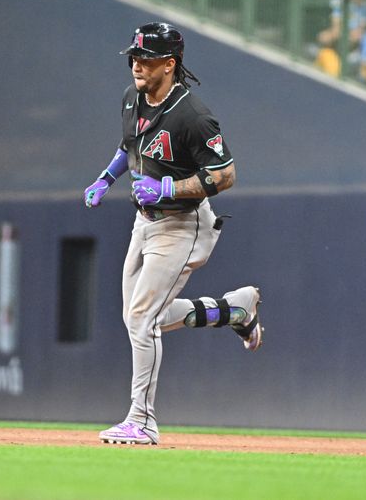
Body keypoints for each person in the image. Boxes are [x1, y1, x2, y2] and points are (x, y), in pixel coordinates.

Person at [83, 22, 265, 445]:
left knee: (142, 319)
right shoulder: (133, 98)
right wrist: (106, 179)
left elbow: (225, 175)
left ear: (170, 63)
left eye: (145, 59)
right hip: (144, 221)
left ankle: (142, 421)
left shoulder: (193, 115)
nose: (136, 65)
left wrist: (167, 187)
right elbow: (129, 147)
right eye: (134, 57)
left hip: (184, 223)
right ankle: (232, 310)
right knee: (142, 318)